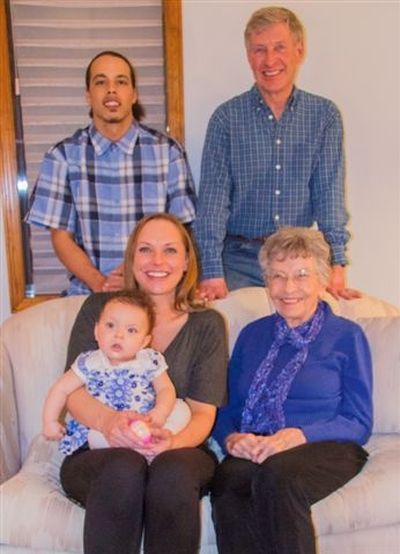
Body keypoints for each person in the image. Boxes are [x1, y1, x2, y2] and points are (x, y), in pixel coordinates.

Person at [59, 213, 228, 554]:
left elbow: (202, 413)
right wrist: (109, 423)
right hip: (98, 450)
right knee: (125, 466)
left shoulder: (207, 324)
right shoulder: (99, 308)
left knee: (172, 474)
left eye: (169, 251)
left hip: (181, 448)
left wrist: (172, 442)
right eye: (146, 250)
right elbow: (72, 391)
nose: (157, 261)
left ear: (185, 262)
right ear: (132, 258)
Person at [211, 226, 373, 554]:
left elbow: (358, 420)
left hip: (327, 444)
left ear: (322, 280)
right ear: (266, 281)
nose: (288, 288)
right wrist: (232, 438)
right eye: (277, 276)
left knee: (277, 476)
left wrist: (298, 435)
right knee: (229, 482)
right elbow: (225, 408)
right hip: (259, 443)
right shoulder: (252, 335)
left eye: (301, 275)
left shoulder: (346, 335)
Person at [193, 6, 360, 302]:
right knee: (232, 334)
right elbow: (213, 202)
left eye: (279, 48)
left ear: (299, 49)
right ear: (248, 56)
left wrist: (337, 263)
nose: (269, 60)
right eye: (259, 50)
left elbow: (329, 194)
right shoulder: (226, 119)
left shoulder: (324, 116)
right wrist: (211, 271)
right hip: (239, 259)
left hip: (300, 258)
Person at [26, 50, 196, 296]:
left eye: (121, 81)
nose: (111, 90)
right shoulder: (62, 156)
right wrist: (100, 283)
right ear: (88, 95)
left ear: (134, 94)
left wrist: (137, 279)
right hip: (89, 294)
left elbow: (182, 232)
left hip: (153, 293)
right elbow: (61, 238)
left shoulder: (168, 153)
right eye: (100, 82)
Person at [42, 289, 190, 455]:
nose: (119, 335)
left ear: (144, 341)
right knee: (94, 436)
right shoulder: (90, 362)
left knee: (181, 408)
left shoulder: (149, 360)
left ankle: (154, 442)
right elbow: (61, 389)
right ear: (97, 331)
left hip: (146, 420)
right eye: (110, 326)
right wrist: (50, 421)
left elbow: (165, 389)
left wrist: (159, 414)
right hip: (108, 431)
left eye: (131, 330)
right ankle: (141, 448)